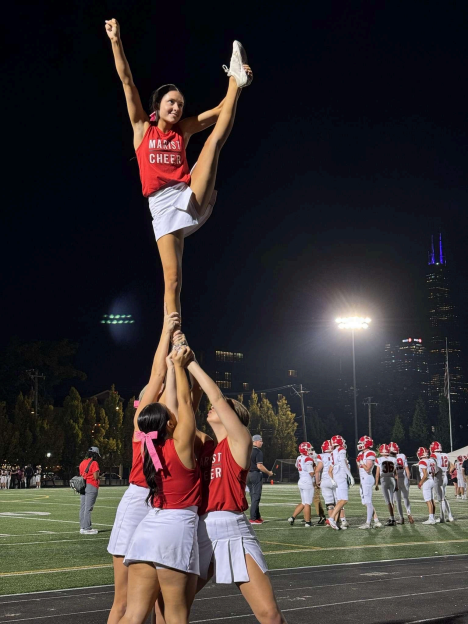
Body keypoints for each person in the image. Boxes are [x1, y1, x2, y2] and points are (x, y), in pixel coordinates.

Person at [105, 19, 253, 318]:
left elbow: (218, 112)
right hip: (161, 206)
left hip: (186, 192)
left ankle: (235, 79)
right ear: (157, 105)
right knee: (172, 280)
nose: (176, 108)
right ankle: (175, 333)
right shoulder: (142, 130)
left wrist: (237, 87)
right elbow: (126, 81)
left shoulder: (181, 131)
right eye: (171, 103)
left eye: (181, 105)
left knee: (213, 144)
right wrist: (115, 40)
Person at [187, 355, 288, 624]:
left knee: (269, 614)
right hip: (202, 528)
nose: (212, 407)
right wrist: (172, 367)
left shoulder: (240, 440)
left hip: (232, 527)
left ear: (232, 416)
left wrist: (192, 363)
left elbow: (217, 397)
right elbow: (181, 415)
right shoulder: (206, 444)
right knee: (172, 603)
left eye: (221, 407)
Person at [107, 308, 180, 624]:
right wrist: (166, 333)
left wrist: (178, 360)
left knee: (160, 601)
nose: (161, 393)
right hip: (138, 501)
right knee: (124, 603)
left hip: (165, 507)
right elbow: (157, 377)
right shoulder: (142, 424)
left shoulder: (176, 429)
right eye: (157, 394)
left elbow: (176, 387)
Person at [119, 346, 200, 624]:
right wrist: (179, 365)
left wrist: (171, 368)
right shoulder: (181, 447)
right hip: (175, 530)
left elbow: (146, 413)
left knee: (133, 614)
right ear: (169, 422)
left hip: (146, 530)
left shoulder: (144, 446)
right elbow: (187, 404)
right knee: (174, 615)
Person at [328, 435, 354, 530]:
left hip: (336, 475)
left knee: (340, 500)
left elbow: (330, 469)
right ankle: (331, 519)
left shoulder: (333, 453)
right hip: (341, 475)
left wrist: (333, 479)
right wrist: (350, 476)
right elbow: (343, 463)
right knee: (344, 500)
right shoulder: (341, 450)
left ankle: (335, 521)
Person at [356, 436, 381, 530]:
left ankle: (368, 523)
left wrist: (361, 462)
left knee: (368, 501)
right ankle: (376, 520)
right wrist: (359, 462)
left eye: (361, 443)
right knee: (365, 502)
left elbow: (367, 469)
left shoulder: (370, 453)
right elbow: (360, 468)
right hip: (363, 479)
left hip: (367, 478)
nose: (359, 445)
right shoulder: (362, 453)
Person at [247, 435, 273, 525]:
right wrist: (269, 473)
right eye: (260, 441)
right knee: (256, 497)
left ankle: (257, 517)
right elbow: (259, 466)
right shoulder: (258, 452)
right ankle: (253, 518)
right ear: (255, 441)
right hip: (255, 474)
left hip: (247, 475)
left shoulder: (247, 450)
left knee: (253, 496)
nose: (262, 442)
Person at [288, 442, 315, 527]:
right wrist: (315, 479)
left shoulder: (299, 457)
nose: (310, 450)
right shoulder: (308, 459)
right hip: (307, 481)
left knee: (303, 502)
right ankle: (308, 522)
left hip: (301, 480)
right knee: (308, 503)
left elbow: (297, 466)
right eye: (309, 449)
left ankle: (292, 517)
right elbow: (311, 472)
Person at [388, 442, 414, 524]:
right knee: (406, 498)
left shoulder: (389, 459)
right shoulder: (402, 456)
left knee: (398, 500)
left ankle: (401, 518)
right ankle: (409, 513)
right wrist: (408, 479)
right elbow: (407, 469)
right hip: (404, 478)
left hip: (396, 479)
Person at [429, 441, 454, 523]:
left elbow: (434, 468)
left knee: (441, 499)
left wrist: (433, 475)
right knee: (444, 497)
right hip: (445, 477)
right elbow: (452, 466)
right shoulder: (445, 455)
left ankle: (442, 518)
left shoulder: (434, 455)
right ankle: (450, 516)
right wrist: (447, 472)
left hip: (438, 477)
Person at [79, 447, 101, 535]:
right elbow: (95, 477)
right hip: (91, 486)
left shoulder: (82, 462)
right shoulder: (94, 463)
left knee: (83, 507)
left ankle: (82, 527)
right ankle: (87, 528)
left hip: (83, 486)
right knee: (88, 508)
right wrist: (100, 476)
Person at [375, 444, 398, 526]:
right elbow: (396, 474)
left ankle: (392, 519)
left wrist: (376, 484)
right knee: (392, 501)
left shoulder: (379, 460)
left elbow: (377, 474)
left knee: (388, 501)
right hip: (392, 479)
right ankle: (392, 517)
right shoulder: (394, 459)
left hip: (384, 479)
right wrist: (397, 484)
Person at [315, 440, 337, 523]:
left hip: (325, 480)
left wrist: (317, 482)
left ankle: (331, 521)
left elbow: (317, 470)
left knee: (329, 503)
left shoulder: (322, 456)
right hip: (336, 480)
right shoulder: (337, 454)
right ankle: (341, 520)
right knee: (338, 502)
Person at [417, 447, 436, 524]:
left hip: (427, 482)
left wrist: (420, 483)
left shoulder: (422, 461)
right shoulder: (431, 460)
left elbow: (425, 474)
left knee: (428, 501)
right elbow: (433, 473)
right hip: (432, 480)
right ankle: (433, 517)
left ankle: (431, 519)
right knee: (431, 500)